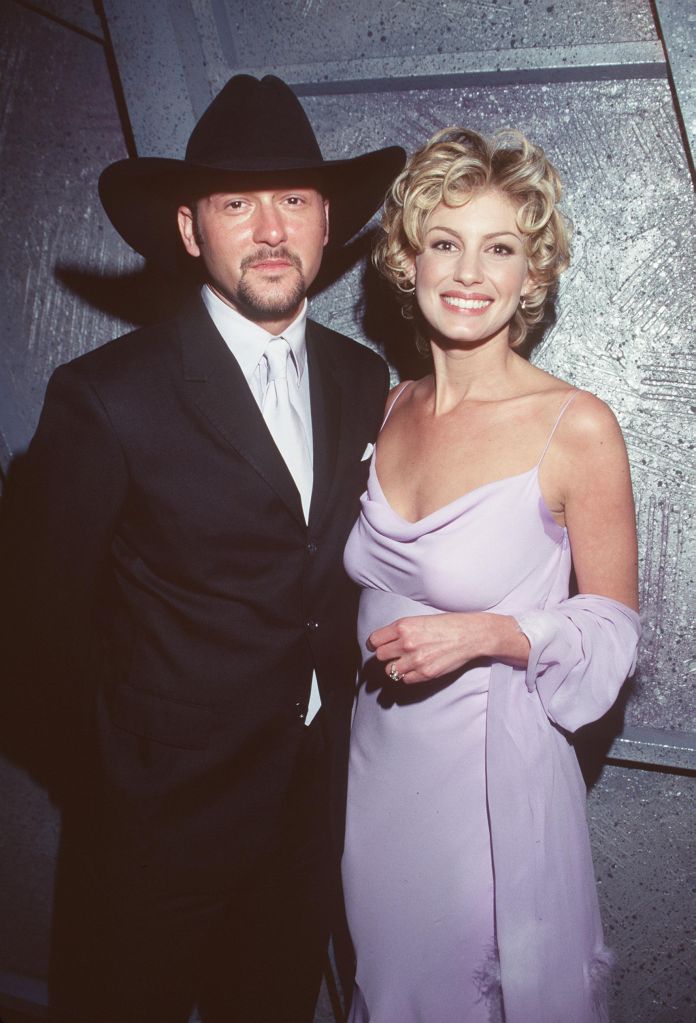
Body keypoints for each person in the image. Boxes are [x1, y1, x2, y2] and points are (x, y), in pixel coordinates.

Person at [1, 75, 404, 1022]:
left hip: (308, 820)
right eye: (236, 203)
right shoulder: (107, 393)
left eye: (294, 200)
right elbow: (30, 626)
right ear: (189, 229)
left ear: (328, 221)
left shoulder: (360, 375)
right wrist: (115, 776)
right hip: (152, 831)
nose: (270, 229)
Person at [341, 127, 641, 1023]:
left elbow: (616, 631)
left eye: (500, 247)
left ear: (531, 276)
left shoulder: (577, 426)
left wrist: (494, 634)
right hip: (374, 778)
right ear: (408, 260)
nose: (470, 271)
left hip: (486, 795)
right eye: (446, 242)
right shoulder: (390, 403)